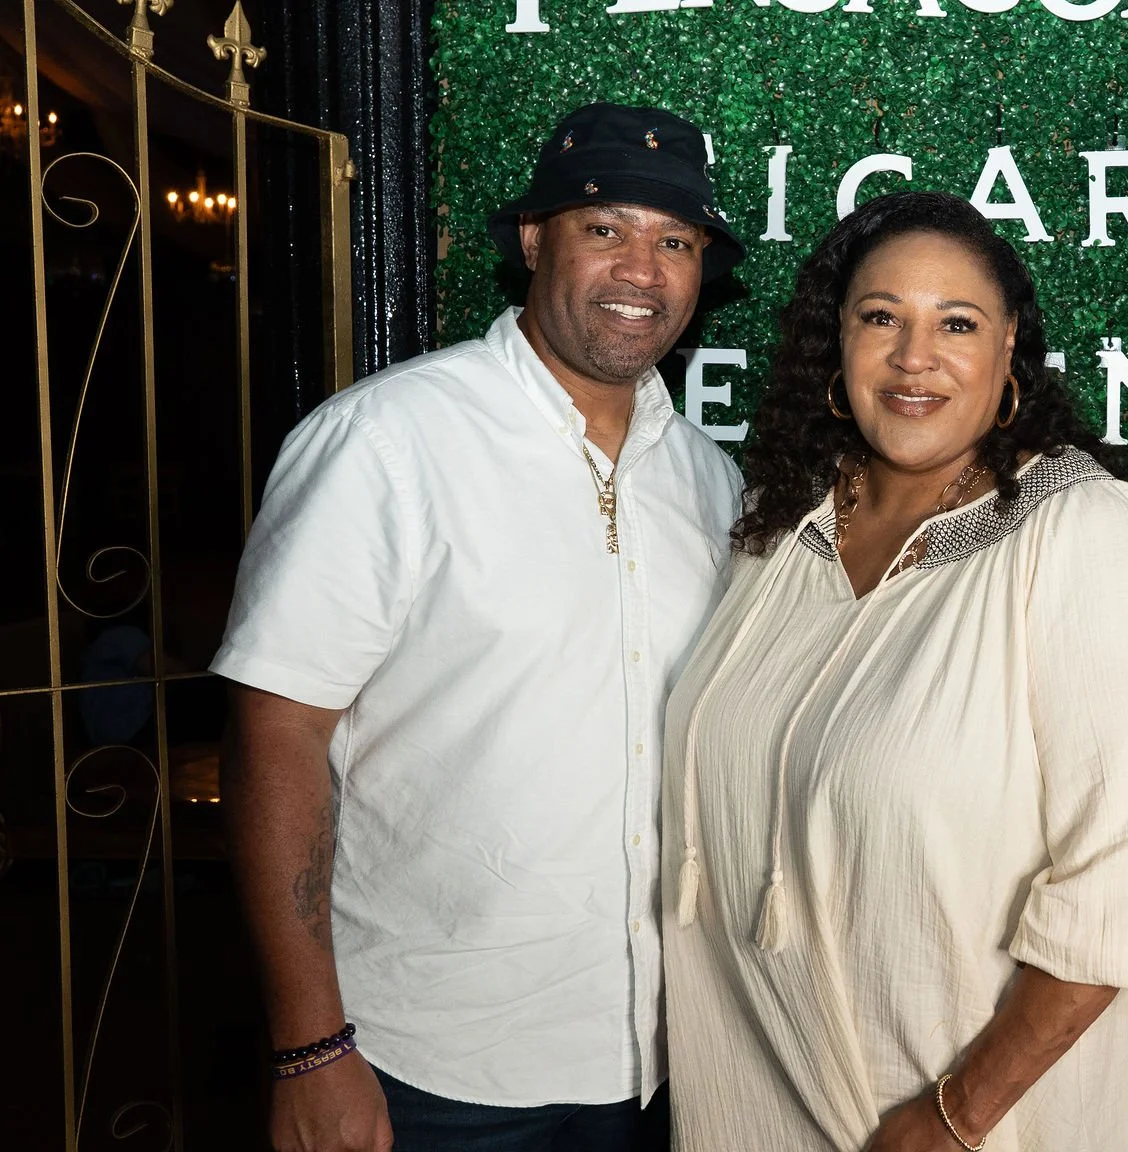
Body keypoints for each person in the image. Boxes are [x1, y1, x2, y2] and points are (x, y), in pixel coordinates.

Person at [214, 102, 745, 1152]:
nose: (642, 268)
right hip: (424, 1063)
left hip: (657, 1064)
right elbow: (274, 736)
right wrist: (309, 1047)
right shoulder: (388, 441)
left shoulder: (711, 481)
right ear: (535, 240)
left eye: (674, 241)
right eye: (605, 228)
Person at [657, 190, 1128, 1152]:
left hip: (980, 1124)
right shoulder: (781, 529)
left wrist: (955, 1117)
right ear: (838, 349)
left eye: (957, 324)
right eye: (882, 319)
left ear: (1008, 361)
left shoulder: (1080, 533)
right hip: (753, 1102)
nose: (915, 358)